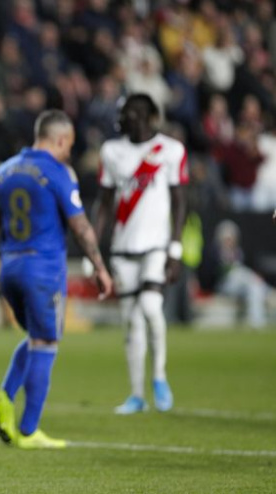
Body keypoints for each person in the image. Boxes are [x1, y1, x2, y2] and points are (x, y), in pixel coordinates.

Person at [0, 110, 112, 449]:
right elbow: (80, 226)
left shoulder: (4, 170)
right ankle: (29, 430)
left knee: (37, 337)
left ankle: (5, 396)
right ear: (61, 139)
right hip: (42, 268)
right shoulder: (58, 172)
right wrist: (99, 266)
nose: (70, 151)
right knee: (46, 343)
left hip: (9, 268)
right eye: (69, 144)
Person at [93, 93, 187, 414]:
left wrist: (175, 248)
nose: (122, 119)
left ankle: (159, 376)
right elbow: (104, 202)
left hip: (156, 245)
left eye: (129, 114)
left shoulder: (170, 150)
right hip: (123, 247)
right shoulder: (111, 151)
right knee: (130, 321)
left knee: (150, 306)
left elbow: (180, 201)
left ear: (147, 117)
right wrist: (95, 248)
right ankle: (136, 394)